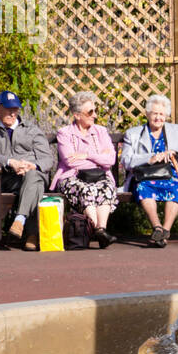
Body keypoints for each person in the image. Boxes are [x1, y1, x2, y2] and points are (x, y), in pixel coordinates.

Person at [0, 90, 55, 250]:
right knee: (36, 185)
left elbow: (47, 159)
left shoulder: (32, 130)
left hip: (32, 173)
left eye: (15, 109)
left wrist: (30, 165)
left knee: (34, 176)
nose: (12, 113)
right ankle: (32, 235)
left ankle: (19, 221)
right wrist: (10, 162)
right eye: (8, 109)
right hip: (8, 179)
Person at [121, 94, 178, 248]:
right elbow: (126, 160)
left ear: (167, 116)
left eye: (162, 114)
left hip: (171, 174)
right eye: (155, 113)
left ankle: (165, 232)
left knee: (176, 188)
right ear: (148, 114)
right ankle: (157, 227)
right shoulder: (134, 134)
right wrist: (150, 158)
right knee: (143, 188)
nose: (158, 118)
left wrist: (176, 152)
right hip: (146, 175)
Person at [51, 91, 118, 248]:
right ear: (77, 115)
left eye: (96, 111)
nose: (95, 115)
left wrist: (86, 155)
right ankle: (100, 231)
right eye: (90, 112)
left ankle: (101, 230)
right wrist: (98, 158)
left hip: (100, 176)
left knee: (106, 187)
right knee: (85, 189)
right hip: (72, 177)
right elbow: (70, 160)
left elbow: (110, 161)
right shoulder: (65, 133)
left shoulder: (100, 131)